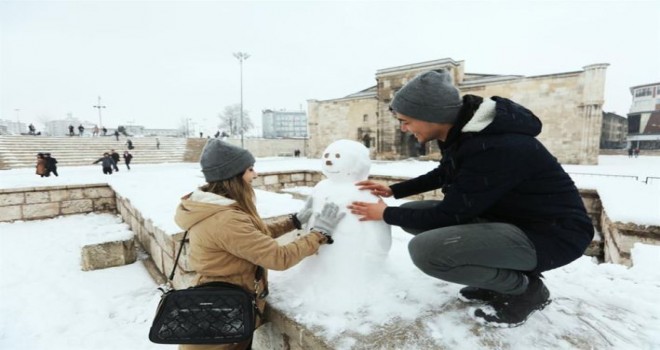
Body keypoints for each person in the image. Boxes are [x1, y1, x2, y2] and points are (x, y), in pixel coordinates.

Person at [348, 70, 594, 328]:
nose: (403, 129)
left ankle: (525, 290)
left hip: (552, 236)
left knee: (426, 251)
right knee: (415, 213)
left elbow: (450, 215)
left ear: (432, 116)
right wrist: (394, 191)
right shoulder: (468, 135)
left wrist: (386, 214)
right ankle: (498, 281)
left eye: (406, 121)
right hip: (515, 221)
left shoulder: (495, 146)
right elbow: (446, 172)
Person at [174, 139, 345, 350]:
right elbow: (279, 258)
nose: (255, 175)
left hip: (221, 306)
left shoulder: (215, 207)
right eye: (250, 169)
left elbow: (250, 237)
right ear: (232, 176)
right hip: (222, 317)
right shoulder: (225, 219)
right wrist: (320, 233)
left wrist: (293, 222)